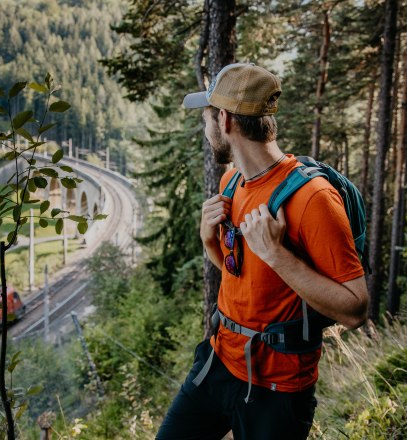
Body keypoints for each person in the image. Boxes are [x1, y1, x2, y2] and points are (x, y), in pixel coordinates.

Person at [156, 63, 369, 440]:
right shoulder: (232, 181)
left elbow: (355, 310)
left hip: (278, 391)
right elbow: (242, 276)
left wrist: (277, 254)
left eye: (206, 118)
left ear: (224, 120)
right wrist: (209, 240)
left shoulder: (313, 199)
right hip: (218, 363)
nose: (205, 131)